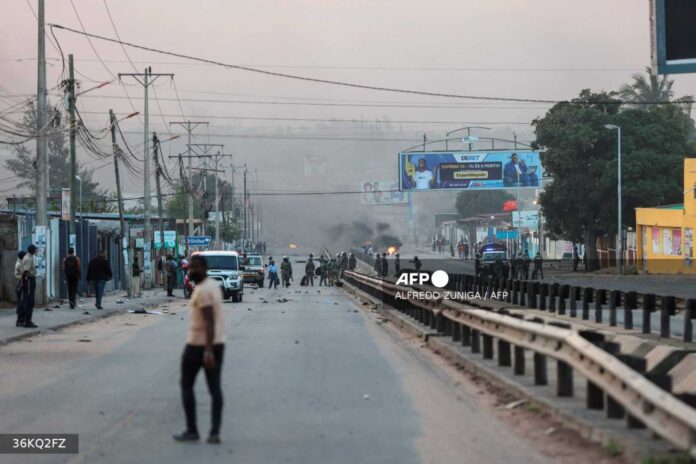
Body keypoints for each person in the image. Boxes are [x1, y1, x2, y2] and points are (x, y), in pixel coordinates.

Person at [173, 254, 226, 444]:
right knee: (214, 389)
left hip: (200, 346)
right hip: (216, 344)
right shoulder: (212, 286)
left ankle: (192, 429)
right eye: (189, 268)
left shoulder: (203, 290)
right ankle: (214, 432)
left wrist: (208, 350)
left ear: (203, 268)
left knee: (187, 385)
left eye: (194, 268)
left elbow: (209, 321)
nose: (190, 271)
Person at [19, 245, 38, 328]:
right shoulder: (28, 259)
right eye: (35, 250)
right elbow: (25, 272)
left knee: (28, 301)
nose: (36, 251)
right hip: (29, 281)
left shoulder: (28, 257)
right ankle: (27, 321)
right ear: (33, 250)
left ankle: (26, 320)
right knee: (29, 301)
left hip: (29, 280)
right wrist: (23, 283)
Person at [14, 250, 26, 327]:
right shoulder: (19, 264)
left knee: (22, 302)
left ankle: (21, 319)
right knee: (21, 302)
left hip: (21, 283)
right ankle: (20, 319)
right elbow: (22, 274)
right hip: (21, 283)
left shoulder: (20, 263)